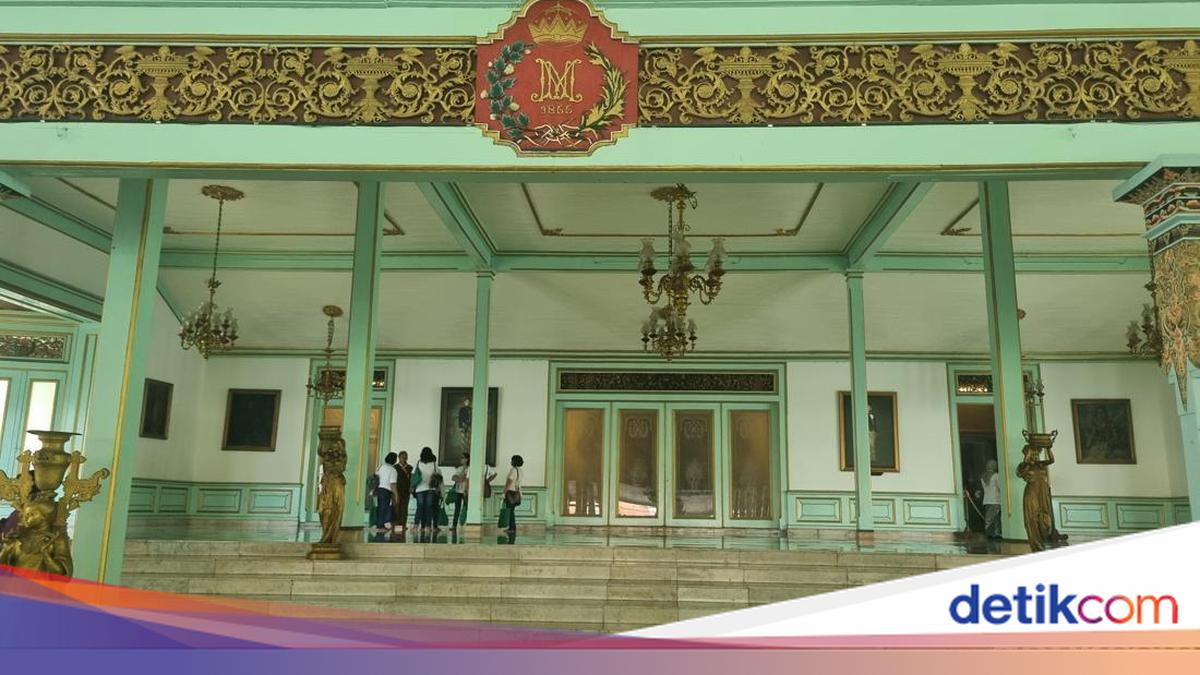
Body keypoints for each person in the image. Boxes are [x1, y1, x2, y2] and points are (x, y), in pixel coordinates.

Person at [448, 455, 497, 531]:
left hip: (468, 491)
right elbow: (454, 478)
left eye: (463, 458)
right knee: (457, 508)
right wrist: (461, 478)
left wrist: (486, 481)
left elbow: (467, 479)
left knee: (466, 508)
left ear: (467, 459)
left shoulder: (473, 468)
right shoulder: (460, 468)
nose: (461, 459)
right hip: (459, 490)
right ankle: (455, 525)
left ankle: (465, 523)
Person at [412, 447, 441, 533]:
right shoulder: (434, 464)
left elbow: (413, 476)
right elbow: (438, 477)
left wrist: (412, 487)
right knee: (429, 507)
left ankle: (416, 525)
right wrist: (438, 489)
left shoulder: (418, 463)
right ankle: (428, 526)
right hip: (431, 488)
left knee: (420, 507)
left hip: (419, 488)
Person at [372, 452, 399, 534]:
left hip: (379, 489)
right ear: (394, 460)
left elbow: (375, 476)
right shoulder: (393, 470)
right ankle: (381, 526)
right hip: (386, 490)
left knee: (380, 507)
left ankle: (379, 525)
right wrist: (396, 494)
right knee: (385, 508)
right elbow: (393, 484)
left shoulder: (381, 466)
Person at [498, 454, 523, 536]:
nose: (511, 462)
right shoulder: (520, 471)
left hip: (511, 493)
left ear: (514, 461)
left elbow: (509, 482)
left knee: (510, 511)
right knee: (512, 511)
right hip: (517, 493)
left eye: (512, 460)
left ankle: (512, 528)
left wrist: (504, 493)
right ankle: (512, 527)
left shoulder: (513, 470)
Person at [979, 459, 1001, 540]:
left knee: (988, 518)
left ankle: (989, 534)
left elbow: (984, 489)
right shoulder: (996, 475)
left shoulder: (983, 476)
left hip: (986, 500)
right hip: (996, 499)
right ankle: (997, 534)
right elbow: (1000, 487)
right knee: (996, 518)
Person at [394, 450, 412, 533]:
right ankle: (397, 524)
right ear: (399, 457)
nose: (404, 458)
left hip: (406, 491)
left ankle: (403, 524)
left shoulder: (410, 468)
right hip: (397, 490)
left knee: (404, 508)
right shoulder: (395, 467)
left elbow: (411, 479)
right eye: (403, 457)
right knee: (397, 507)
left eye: (406, 457)